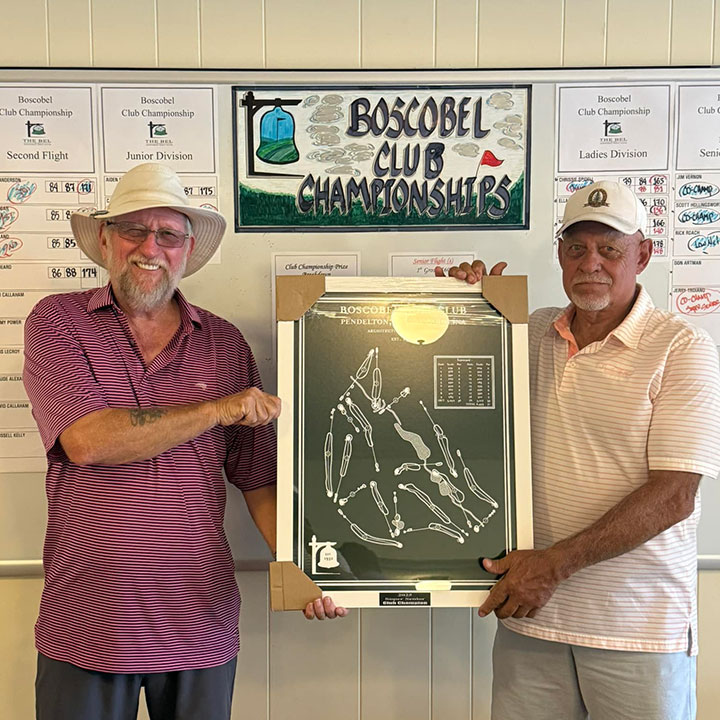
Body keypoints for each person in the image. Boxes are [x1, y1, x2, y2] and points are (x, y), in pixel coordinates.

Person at [23, 163, 344, 720]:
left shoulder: (224, 343)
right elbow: (86, 441)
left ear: (187, 250)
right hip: (86, 623)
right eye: (133, 230)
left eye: (168, 234)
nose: (150, 248)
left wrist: (308, 569)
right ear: (105, 240)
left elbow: (259, 483)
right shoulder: (58, 322)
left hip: (199, 625)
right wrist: (217, 408)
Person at [438, 180, 720, 720]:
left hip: (636, 631)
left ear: (642, 255)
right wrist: (463, 306)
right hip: (530, 618)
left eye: (610, 248)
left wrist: (553, 566)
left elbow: (674, 496)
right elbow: (445, 389)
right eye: (576, 247)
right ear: (561, 255)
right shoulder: (525, 333)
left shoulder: (681, 346)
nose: (591, 263)